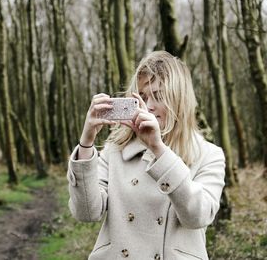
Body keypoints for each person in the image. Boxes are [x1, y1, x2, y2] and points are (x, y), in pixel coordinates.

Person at [67, 51, 225, 260]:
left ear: (179, 100)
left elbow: (197, 216)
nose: (148, 105)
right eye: (142, 96)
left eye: (158, 96)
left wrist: (158, 149)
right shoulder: (116, 150)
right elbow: (86, 213)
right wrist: (86, 142)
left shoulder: (208, 155)